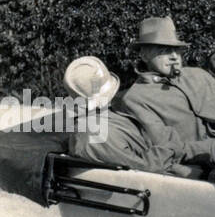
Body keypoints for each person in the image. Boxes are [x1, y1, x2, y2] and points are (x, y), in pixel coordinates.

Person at [114, 16, 215, 179]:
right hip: (196, 172)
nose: (174, 56)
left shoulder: (198, 75)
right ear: (144, 55)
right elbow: (168, 147)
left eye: (177, 50)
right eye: (164, 50)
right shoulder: (135, 98)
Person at [62, 55, 194, 177]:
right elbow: (143, 168)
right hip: (155, 179)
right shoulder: (94, 133)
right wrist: (170, 146)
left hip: (165, 163)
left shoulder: (107, 114)